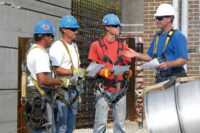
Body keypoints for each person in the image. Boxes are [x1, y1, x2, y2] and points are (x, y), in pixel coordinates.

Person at [121, 3, 188, 83]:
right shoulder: (158, 36)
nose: (157, 20)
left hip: (173, 80)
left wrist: (168, 64)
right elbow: (150, 56)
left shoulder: (178, 36)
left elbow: (184, 59)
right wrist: (136, 54)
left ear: (169, 19)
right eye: (156, 18)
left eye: (160, 18)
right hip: (160, 79)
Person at [88, 13, 132, 133]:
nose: (118, 28)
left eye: (119, 26)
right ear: (107, 27)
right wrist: (103, 72)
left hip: (120, 89)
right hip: (103, 89)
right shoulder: (96, 45)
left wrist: (127, 72)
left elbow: (127, 66)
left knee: (120, 124)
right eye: (115, 26)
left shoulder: (123, 46)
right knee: (100, 124)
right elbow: (91, 70)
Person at [25, 20, 69, 133]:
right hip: (41, 97)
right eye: (51, 36)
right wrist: (59, 82)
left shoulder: (32, 50)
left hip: (35, 96)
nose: (52, 39)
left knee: (40, 128)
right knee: (46, 128)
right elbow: (42, 79)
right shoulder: (41, 54)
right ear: (45, 36)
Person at [49, 15, 87, 133]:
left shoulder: (74, 46)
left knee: (70, 126)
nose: (76, 31)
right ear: (64, 30)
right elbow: (57, 70)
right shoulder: (57, 46)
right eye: (73, 29)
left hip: (74, 90)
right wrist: (73, 71)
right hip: (62, 91)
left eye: (77, 29)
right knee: (61, 127)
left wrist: (80, 73)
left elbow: (75, 67)